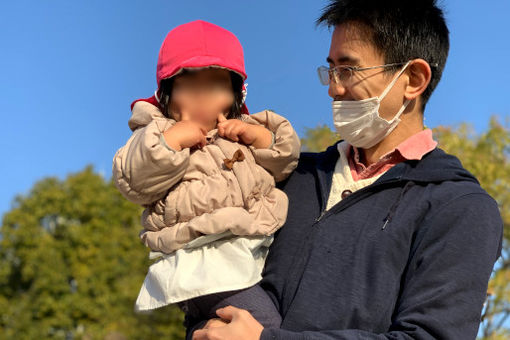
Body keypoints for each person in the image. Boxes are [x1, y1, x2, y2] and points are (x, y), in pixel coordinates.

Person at [191, 1, 503, 339]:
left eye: (349, 70)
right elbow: (214, 283)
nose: (333, 88)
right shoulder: (291, 176)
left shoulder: (460, 208)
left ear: (413, 79)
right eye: (331, 70)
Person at [112, 20, 300, 331]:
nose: (203, 97)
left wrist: (260, 138)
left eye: (215, 85)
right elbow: (133, 179)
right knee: (262, 326)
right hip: (203, 261)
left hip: (254, 252)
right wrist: (171, 143)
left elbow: (286, 161)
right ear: (167, 94)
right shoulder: (157, 130)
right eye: (189, 85)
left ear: (235, 94)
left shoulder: (244, 129)